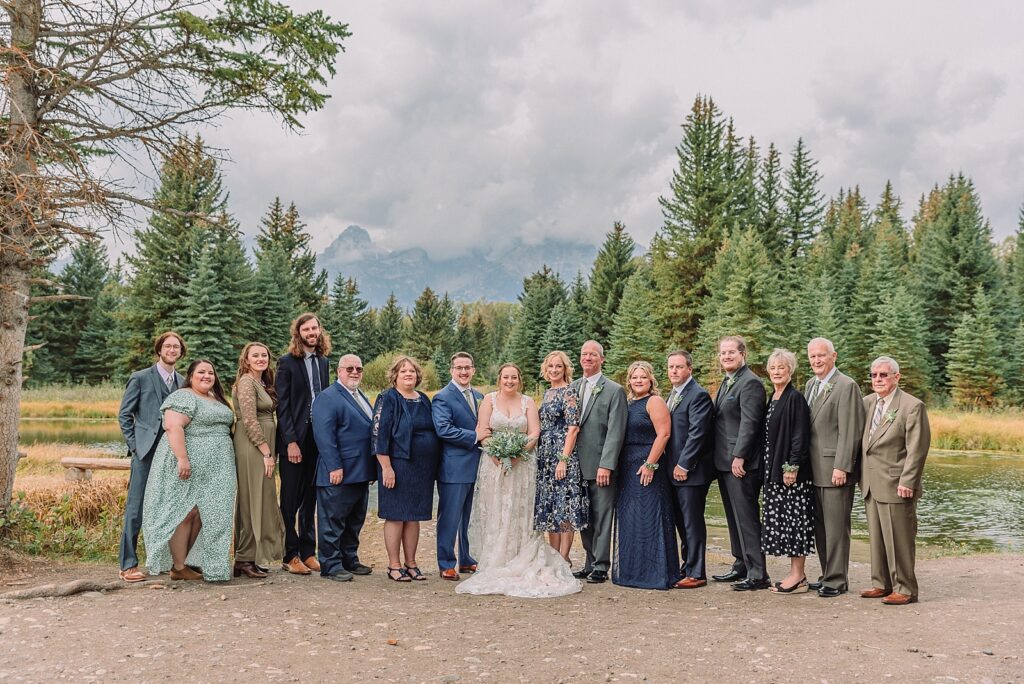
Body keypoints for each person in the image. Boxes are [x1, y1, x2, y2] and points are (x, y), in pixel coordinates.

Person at [456, 363, 581, 598]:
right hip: (493, 465)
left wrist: (516, 454)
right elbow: (483, 430)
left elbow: (535, 432)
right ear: (499, 379)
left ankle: (521, 554)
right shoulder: (489, 400)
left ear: (519, 380)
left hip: (523, 464)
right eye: (506, 377)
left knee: (520, 510)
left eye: (514, 377)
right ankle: (496, 558)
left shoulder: (528, 402)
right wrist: (497, 455)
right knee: (497, 509)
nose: (510, 381)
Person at [142, 359, 237, 581]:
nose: (207, 376)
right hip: (190, 465)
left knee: (212, 514)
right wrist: (182, 459)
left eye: (211, 373)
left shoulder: (216, 399)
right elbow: (173, 426)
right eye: (201, 372)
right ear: (191, 376)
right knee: (186, 511)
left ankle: (211, 565)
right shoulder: (183, 396)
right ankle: (178, 565)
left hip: (218, 468)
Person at [859, 356, 931, 605]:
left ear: (897, 377)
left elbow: (917, 449)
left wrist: (908, 481)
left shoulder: (912, 406)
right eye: (874, 375)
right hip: (870, 482)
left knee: (899, 538)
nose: (878, 379)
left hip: (897, 483)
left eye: (884, 375)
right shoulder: (867, 403)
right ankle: (881, 583)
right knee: (877, 537)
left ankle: (906, 588)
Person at [117, 331, 186, 583]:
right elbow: (125, 415)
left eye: (176, 347)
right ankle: (128, 564)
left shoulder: (182, 381)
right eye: (167, 346)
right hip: (145, 453)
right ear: (159, 350)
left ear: (180, 352)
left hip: (173, 454)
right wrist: (136, 446)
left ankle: (171, 563)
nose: (171, 350)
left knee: (172, 507)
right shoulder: (140, 378)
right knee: (135, 508)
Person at [372, 356, 441, 583]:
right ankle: (394, 565)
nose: (408, 374)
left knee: (414, 517)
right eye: (403, 372)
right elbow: (379, 435)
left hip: (422, 468)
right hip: (397, 465)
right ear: (395, 376)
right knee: (396, 515)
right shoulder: (388, 398)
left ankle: (411, 563)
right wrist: (386, 467)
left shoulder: (423, 399)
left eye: (412, 371)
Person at [805, 337, 864, 598]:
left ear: (833, 356)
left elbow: (850, 430)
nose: (817, 361)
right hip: (813, 470)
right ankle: (827, 573)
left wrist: (842, 466)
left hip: (834, 470)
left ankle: (837, 579)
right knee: (821, 526)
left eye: (822, 356)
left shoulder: (846, 385)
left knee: (837, 527)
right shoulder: (810, 385)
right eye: (813, 357)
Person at [711, 335, 769, 591]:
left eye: (731, 352)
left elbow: (750, 424)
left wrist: (740, 456)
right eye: (723, 353)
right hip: (723, 462)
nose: (726, 357)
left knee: (746, 517)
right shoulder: (727, 382)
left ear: (743, 354)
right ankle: (740, 564)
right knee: (733, 517)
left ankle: (758, 573)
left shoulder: (751, 383)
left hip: (741, 463)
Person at [613, 361, 677, 590]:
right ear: (628, 380)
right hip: (627, 469)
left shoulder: (655, 401)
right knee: (631, 519)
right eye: (634, 377)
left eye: (643, 377)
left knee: (650, 517)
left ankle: (654, 574)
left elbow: (664, 434)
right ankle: (633, 572)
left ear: (651, 380)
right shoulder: (628, 403)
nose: (638, 380)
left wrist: (650, 464)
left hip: (647, 466)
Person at [312, 354, 376, 582]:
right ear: (339, 371)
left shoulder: (360, 397)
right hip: (338, 472)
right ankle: (330, 564)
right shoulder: (327, 398)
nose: (355, 372)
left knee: (354, 520)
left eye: (359, 368)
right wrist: (334, 466)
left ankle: (350, 558)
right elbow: (324, 436)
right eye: (349, 368)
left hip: (360, 471)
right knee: (333, 520)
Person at [275, 313, 330, 575]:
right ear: (298, 333)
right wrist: (291, 442)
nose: (311, 332)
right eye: (306, 329)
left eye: (314, 328)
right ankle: (289, 554)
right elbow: (282, 407)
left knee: (311, 497)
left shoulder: (324, 362)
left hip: (317, 440)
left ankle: (309, 552)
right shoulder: (286, 363)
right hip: (294, 440)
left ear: (319, 332)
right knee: (290, 499)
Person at [568, 340, 627, 584]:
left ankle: (602, 566)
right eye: (584, 354)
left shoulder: (614, 390)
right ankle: (590, 562)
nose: (588, 358)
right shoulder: (572, 388)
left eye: (593, 354)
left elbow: (616, 431)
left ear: (602, 359)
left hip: (601, 465)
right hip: (576, 465)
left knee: (602, 515)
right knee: (584, 517)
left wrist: (607, 464)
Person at [761, 349, 814, 594]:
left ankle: (798, 575)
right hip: (773, 472)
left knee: (795, 523)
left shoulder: (795, 398)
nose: (776, 372)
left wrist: (792, 467)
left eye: (781, 367)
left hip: (790, 474)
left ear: (790, 370)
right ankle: (795, 574)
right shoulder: (774, 396)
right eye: (772, 368)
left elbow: (799, 436)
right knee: (783, 523)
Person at [231, 342, 285, 579]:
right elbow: (250, 420)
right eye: (256, 355)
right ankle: (244, 557)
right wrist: (266, 452)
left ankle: (252, 556)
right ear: (246, 359)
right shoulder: (246, 382)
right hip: (252, 446)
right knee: (253, 498)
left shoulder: (263, 381)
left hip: (264, 444)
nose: (261, 358)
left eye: (264, 355)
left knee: (262, 498)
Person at [431, 351, 484, 580]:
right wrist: (474, 435)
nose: (463, 372)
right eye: (459, 368)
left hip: (478, 467)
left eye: (467, 367)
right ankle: (446, 562)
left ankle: (467, 559)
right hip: (454, 468)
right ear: (452, 370)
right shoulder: (443, 397)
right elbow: (443, 429)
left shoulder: (480, 396)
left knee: (469, 517)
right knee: (450, 517)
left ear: (473, 369)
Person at [664, 350, 714, 589]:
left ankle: (697, 572)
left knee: (692, 522)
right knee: (681, 523)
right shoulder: (671, 395)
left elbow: (698, 434)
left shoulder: (698, 395)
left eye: (679, 367)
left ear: (689, 369)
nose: (674, 371)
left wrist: (684, 464)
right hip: (672, 470)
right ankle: (687, 566)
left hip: (690, 472)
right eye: (671, 367)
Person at [533, 350, 588, 563]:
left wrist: (563, 460)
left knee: (565, 507)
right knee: (550, 506)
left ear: (565, 369)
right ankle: (554, 556)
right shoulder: (547, 393)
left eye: (558, 366)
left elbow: (573, 428)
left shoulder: (569, 393)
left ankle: (564, 557)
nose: (554, 370)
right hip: (545, 457)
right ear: (545, 370)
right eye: (551, 367)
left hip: (563, 456)